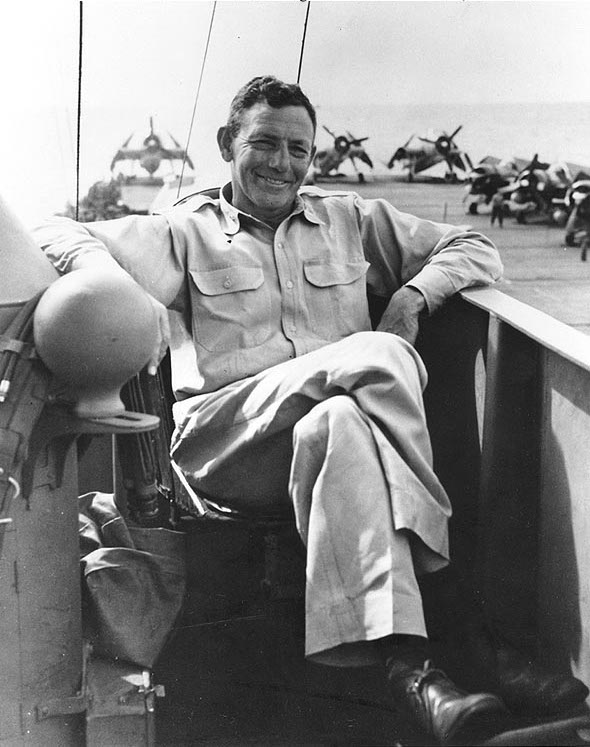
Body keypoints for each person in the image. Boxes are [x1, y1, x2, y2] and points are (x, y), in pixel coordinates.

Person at [34, 75, 588, 745]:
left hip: (316, 443)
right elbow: (53, 232)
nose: (281, 162)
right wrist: (112, 285)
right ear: (225, 144)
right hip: (223, 444)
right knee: (377, 358)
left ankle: (414, 673)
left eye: (299, 149)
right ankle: (463, 626)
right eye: (263, 143)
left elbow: (474, 246)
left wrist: (414, 295)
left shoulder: (350, 220)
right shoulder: (185, 231)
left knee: (340, 421)